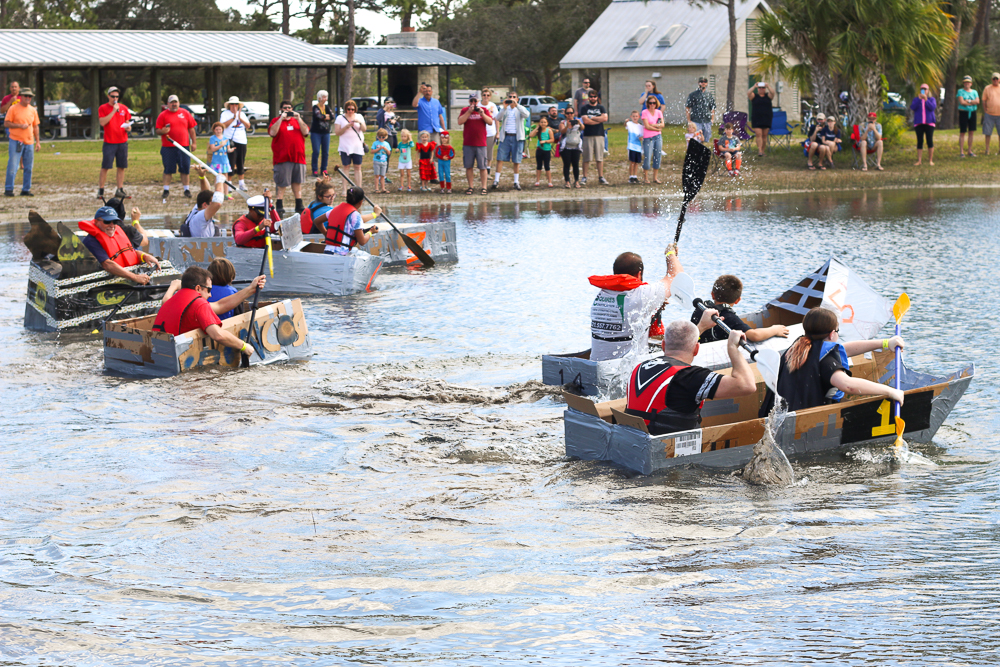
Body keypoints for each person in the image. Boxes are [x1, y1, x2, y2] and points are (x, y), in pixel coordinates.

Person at [758, 307, 905, 417]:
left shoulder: (799, 347)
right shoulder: (826, 360)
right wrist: (891, 391)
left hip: (778, 415)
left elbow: (843, 350)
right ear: (832, 333)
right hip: (803, 423)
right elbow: (848, 385)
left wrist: (885, 343)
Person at [625, 319, 757, 435]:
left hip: (631, 443)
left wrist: (701, 326)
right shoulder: (690, 377)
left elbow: (683, 340)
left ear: (663, 345)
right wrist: (733, 347)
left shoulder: (639, 367)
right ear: (696, 349)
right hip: (666, 453)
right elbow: (746, 385)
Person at [589, 244, 681, 362]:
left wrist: (652, 307)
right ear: (639, 274)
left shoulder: (600, 296)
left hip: (598, 365)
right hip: (628, 373)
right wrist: (670, 254)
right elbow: (676, 277)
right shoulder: (641, 294)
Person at [153, 267, 266, 357]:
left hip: (159, 353)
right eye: (209, 290)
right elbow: (218, 335)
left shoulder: (171, 301)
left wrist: (251, 289)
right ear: (198, 288)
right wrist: (244, 346)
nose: (210, 295)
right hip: (179, 359)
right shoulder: (199, 304)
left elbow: (220, 305)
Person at [689, 274, 789, 344]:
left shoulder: (701, 308)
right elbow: (755, 335)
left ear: (712, 295)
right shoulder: (729, 318)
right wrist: (775, 330)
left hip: (694, 345)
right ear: (738, 300)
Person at [79, 205, 160, 284]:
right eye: (107, 222)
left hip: (125, 278)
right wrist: (135, 277)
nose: (112, 225)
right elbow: (107, 264)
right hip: (104, 283)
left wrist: (144, 256)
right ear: (96, 222)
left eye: (115, 222)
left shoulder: (118, 233)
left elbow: (131, 251)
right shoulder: (91, 241)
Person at [268, 100, 309, 215]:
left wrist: (299, 118)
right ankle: (279, 204)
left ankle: (299, 204)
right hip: (282, 157)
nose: (287, 110)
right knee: (282, 182)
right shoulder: (276, 121)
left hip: (298, 156)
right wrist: (281, 118)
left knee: (297, 181)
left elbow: (306, 131)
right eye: (285, 108)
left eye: (289, 108)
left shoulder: (297, 121)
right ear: (281, 109)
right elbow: (272, 133)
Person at [156, 94, 198, 201]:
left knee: (185, 168)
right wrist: (163, 131)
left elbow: (191, 129)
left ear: (179, 103)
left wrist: (193, 143)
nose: (174, 104)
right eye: (172, 102)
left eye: (176, 102)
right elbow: (157, 130)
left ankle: (186, 189)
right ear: (168, 104)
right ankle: (166, 189)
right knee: (168, 169)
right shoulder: (163, 115)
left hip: (183, 146)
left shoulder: (185, 113)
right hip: (168, 146)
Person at [97, 86, 132, 199]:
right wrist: (113, 111)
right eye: (113, 96)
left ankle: (119, 189)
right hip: (109, 142)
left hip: (122, 141)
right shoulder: (103, 108)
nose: (115, 99)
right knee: (105, 166)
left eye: (117, 96)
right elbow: (102, 122)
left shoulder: (124, 108)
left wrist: (128, 128)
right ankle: (101, 190)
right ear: (108, 96)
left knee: (121, 166)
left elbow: (127, 122)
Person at [324, 186, 381, 255]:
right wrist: (371, 232)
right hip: (341, 254)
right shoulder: (355, 215)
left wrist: (327, 234)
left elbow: (317, 221)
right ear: (361, 202)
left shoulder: (334, 210)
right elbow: (362, 241)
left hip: (327, 251)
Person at [4, 87, 39, 197]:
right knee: (13, 166)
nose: (28, 98)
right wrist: (19, 126)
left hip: (29, 142)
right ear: (21, 97)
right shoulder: (13, 109)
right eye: (26, 96)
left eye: (30, 96)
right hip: (16, 140)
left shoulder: (32, 110)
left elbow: (36, 126)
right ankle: (9, 189)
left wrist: (38, 141)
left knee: (28, 167)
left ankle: (26, 189)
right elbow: (6, 123)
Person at [492, 91, 530, 191]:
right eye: (510, 97)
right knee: (500, 158)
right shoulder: (504, 108)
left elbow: (526, 115)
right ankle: (496, 180)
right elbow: (498, 118)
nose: (512, 98)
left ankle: (516, 182)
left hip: (517, 137)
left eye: (514, 97)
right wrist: (504, 107)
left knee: (516, 160)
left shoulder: (520, 108)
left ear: (517, 99)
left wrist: (517, 105)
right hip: (506, 136)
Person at [458, 93, 493, 195]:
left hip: (481, 143)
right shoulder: (464, 110)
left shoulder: (484, 110)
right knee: (469, 166)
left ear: (478, 101)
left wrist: (482, 114)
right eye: (471, 101)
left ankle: (484, 187)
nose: (473, 103)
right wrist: (469, 112)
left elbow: (490, 122)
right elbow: (460, 122)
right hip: (468, 143)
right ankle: (470, 187)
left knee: (483, 166)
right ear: (469, 101)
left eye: (475, 101)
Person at [180, 165, 227, 237]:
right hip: (203, 247)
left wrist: (202, 177)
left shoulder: (197, 208)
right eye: (211, 203)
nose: (213, 206)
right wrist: (220, 181)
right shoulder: (200, 218)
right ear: (205, 205)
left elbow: (205, 192)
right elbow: (217, 203)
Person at [333, 99, 366, 197]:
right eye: (348, 109)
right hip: (345, 146)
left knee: (357, 167)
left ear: (355, 109)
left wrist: (359, 122)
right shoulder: (340, 118)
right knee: (346, 167)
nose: (350, 111)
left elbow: (364, 129)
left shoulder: (359, 116)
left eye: (352, 109)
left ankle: (358, 189)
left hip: (357, 146)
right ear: (345, 109)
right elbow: (337, 132)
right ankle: (344, 189)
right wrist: (346, 126)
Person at [219, 96, 251, 191]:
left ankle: (241, 183)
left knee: (241, 162)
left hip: (241, 140)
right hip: (229, 141)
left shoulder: (242, 114)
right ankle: (229, 184)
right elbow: (223, 126)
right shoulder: (225, 114)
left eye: (236, 104)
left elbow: (248, 126)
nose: (234, 106)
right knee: (230, 162)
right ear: (229, 105)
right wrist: (233, 118)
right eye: (232, 104)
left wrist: (240, 118)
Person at [579, 89, 609, 186]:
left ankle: (601, 177)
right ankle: (584, 177)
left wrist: (592, 118)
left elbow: (605, 118)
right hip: (588, 134)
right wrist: (598, 120)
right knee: (586, 158)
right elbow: (586, 121)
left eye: (594, 96)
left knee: (599, 157)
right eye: (591, 96)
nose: (593, 98)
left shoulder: (601, 107)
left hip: (599, 134)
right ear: (588, 98)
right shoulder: (584, 108)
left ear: (597, 97)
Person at [911, 83, 937, 166]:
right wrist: (919, 99)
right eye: (922, 89)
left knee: (929, 140)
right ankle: (919, 160)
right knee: (920, 141)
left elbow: (932, 107)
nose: (924, 90)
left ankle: (930, 160)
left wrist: (926, 100)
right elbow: (912, 107)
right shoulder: (916, 99)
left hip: (929, 123)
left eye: (925, 89)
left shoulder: (931, 99)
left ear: (928, 90)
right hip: (919, 123)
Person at [685, 76, 716, 144]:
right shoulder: (693, 95)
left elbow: (712, 108)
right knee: (697, 137)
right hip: (696, 120)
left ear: (707, 83)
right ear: (699, 83)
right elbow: (687, 107)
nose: (703, 83)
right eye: (702, 82)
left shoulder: (709, 95)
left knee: (705, 137)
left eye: (705, 82)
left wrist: (712, 119)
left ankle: (702, 150)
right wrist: (689, 120)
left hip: (707, 120)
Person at [641, 96, 664, 184]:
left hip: (657, 137)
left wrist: (653, 126)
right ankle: (646, 177)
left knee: (657, 156)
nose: (652, 105)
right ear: (647, 104)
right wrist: (656, 128)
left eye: (653, 103)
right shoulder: (644, 112)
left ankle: (655, 177)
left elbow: (662, 124)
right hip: (648, 138)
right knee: (647, 156)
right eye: (650, 103)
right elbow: (646, 126)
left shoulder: (658, 112)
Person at [748, 81, 775, 157]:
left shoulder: (768, 96)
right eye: (760, 88)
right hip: (756, 118)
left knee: (764, 135)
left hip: (767, 118)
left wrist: (768, 86)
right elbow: (748, 93)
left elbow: (773, 93)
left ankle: (763, 151)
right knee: (758, 134)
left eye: (763, 88)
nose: (761, 89)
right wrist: (754, 86)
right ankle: (759, 150)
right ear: (758, 89)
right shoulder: (754, 96)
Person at [207, 122, 233, 197]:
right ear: (214, 130)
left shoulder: (225, 138)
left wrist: (231, 150)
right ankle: (217, 193)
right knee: (217, 177)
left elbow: (228, 149)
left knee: (225, 177)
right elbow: (213, 149)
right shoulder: (212, 138)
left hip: (224, 160)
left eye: (220, 129)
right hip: (216, 161)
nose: (218, 131)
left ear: (222, 130)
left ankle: (226, 193)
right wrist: (221, 144)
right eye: (217, 129)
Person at [311, 90, 332, 177]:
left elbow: (332, 116)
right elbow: (318, 116)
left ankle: (324, 169)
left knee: (325, 152)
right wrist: (325, 116)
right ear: (319, 98)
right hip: (316, 132)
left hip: (326, 132)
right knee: (316, 151)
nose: (325, 99)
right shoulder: (315, 107)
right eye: (323, 97)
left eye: (326, 97)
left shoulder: (327, 107)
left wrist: (326, 117)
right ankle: (314, 169)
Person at [560, 107, 583, 188]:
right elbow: (562, 131)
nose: (569, 115)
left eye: (571, 113)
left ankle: (576, 181)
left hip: (576, 146)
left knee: (575, 164)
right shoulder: (563, 122)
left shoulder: (577, 121)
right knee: (566, 164)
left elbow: (583, 128)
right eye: (567, 113)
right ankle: (567, 181)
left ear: (574, 113)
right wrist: (568, 126)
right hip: (566, 147)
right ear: (565, 114)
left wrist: (579, 123)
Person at [957, 76, 980, 158]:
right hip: (963, 113)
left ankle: (970, 151)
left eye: (968, 82)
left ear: (971, 83)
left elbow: (977, 101)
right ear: (963, 83)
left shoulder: (974, 92)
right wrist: (971, 102)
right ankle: (961, 151)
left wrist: (969, 101)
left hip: (972, 112)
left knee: (971, 132)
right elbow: (962, 102)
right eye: (965, 82)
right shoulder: (960, 91)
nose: (967, 83)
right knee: (962, 132)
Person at [529, 116, 554, 187]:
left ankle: (549, 181)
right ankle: (537, 181)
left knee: (547, 166)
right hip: (539, 150)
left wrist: (545, 141)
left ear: (547, 123)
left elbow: (552, 139)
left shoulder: (549, 130)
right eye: (541, 122)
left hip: (547, 150)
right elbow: (530, 135)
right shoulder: (538, 131)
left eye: (544, 122)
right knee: (539, 166)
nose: (543, 124)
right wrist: (536, 128)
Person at [480, 88, 499, 173]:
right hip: (480, 132)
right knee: (481, 152)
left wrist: (498, 132)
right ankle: (482, 168)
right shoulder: (478, 105)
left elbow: (496, 119)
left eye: (488, 95)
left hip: (490, 132)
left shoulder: (492, 106)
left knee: (489, 152)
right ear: (482, 96)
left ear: (490, 96)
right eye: (484, 95)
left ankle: (488, 169)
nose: (486, 97)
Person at [983, 73, 1000, 156]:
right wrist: (985, 110)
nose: (995, 80)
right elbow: (984, 100)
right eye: (994, 79)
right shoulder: (987, 88)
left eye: (997, 79)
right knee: (988, 132)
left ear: (999, 79)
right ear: (991, 79)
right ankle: (987, 150)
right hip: (989, 114)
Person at [625, 110, 643, 184]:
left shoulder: (640, 127)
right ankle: (631, 176)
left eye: (636, 116)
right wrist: (625, 122)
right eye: (633, 116)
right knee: (632, 162)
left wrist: (641, 138)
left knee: (636, 162)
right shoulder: (630, 124)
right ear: (631, 117)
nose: (635, 117)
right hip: (631, 146)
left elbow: (642, 137)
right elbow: (625, 125)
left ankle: (635, 176)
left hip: (638, 147)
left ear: (638, 117)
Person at [371, 128, 391, 194]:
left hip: (384, 161)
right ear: (377, 136)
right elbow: (372, 151)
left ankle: (383, 188)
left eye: (383, 137)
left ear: (385, 137)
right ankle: (376, 188)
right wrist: (378, 149)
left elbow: (389, 153)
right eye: (379, 137)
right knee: (377, 175)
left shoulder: (387, 144)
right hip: (377, 161)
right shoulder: (375, 143)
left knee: (382, 175)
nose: (381, 138)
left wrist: (386, 149)